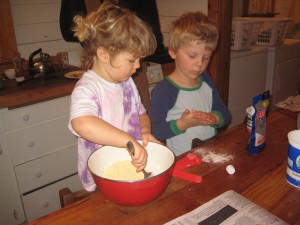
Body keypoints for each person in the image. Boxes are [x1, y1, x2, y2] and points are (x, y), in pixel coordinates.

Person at [68, 0, 158, 192]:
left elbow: (141, 113)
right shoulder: (88, 88)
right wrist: (127, 140)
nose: (138, 66)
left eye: (139, 60)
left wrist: (144, 132)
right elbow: (81, 123)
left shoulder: (127, 82)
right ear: (104, 54)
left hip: (129, 164)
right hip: (102, 175)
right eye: (132, 60)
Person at [149, 11, 231, 156]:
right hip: (182, 159)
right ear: (173, 52)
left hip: (211, 153)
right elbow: (156, 130)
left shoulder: (207, 81)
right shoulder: (164, 90)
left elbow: (225, 113)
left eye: (206, 57)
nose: (199, 64)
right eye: (192, 56)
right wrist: (182, 124)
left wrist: (214, 118)